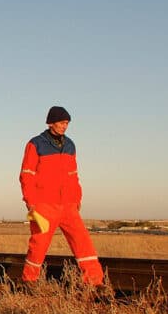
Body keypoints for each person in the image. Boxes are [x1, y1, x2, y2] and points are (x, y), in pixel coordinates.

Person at [19, 106, 104, 286]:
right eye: (62, 123)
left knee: (83, 241)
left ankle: (95, 282)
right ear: (51, 123)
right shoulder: (36, 144)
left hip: (68, 205)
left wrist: (77, 199)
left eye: (67, 123)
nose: (65, 126)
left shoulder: (70, 145)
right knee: (39, 244)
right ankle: (29, 281)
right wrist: (31, 202)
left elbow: (74, 175)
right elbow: (26, 175)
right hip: (43, 205)